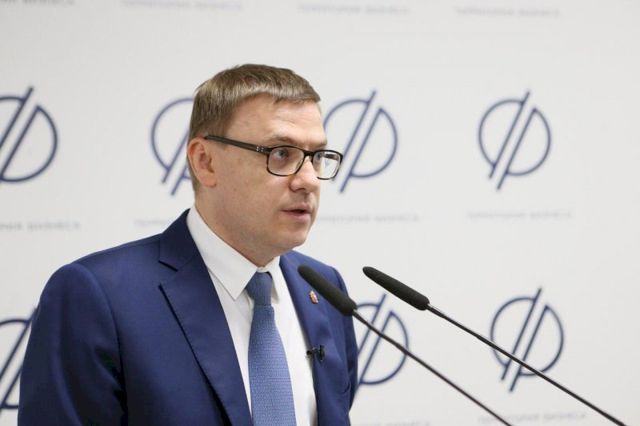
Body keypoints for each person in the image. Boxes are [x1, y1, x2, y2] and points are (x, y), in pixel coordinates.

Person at [19, 64, 358, 425]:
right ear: (205, 162)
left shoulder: (325, 291)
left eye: (317, 157)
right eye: (280, 154)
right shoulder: (96, 297)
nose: (309, 180)